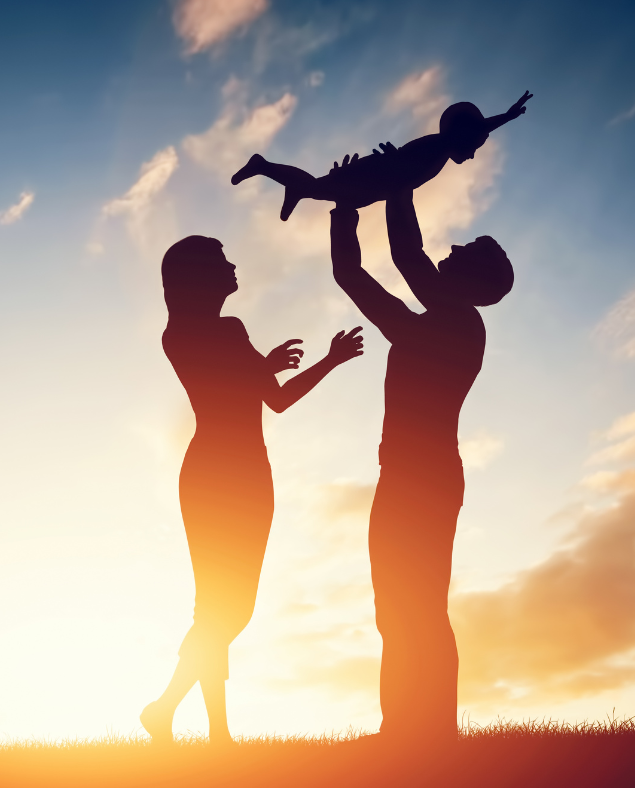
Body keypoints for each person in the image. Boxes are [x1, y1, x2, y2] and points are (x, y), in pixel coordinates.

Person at [140, 235, 364, 746]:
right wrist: (266, 365)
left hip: (249, 476)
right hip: (216, 475)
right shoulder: (181, 335)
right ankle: (186, 718)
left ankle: (191, 722)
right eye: (221, 260)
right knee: (224, 609)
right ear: (198, 277)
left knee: (224, 608)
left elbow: (275, 399)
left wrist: (328, 360)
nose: (233, 264)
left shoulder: (229, 331)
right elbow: (243, 386)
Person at [328, 183, 513, 748]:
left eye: (462, 252)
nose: (449, 250)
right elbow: (380, 269)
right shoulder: (446, 318)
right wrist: (356, 208)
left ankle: (429, 733)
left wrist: (395, 187)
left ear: (471, 281)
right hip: (412, 477)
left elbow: (386, 267)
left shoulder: (453, 326)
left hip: (422, 481)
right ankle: (406, 730)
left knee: (420, 608)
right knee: (400, 608)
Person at [231, 91, 531, 221]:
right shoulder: (439, 145)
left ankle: (290, 186)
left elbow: (405, 171)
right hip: (375, 175)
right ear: (464, 136)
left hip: (378, 182)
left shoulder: (438, 150)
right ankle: (265, 167)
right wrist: (506, 117)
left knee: (325, 192)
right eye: (475, 147)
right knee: (320, 188)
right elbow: (404, 164)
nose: (473, 156)